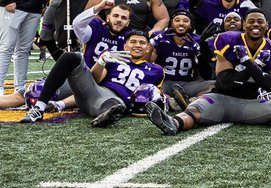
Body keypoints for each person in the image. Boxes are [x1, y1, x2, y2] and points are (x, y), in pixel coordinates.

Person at [144, 9, 271, 134]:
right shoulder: (227, 41)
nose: (255, 25)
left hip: (251, 102)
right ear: (244, 25)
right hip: (222, 98)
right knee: (194, 110)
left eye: (260, 21)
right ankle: (173, 122)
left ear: (267, 25)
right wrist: (255, 66)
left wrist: (249, 62)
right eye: (251, 21)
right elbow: (226, 84)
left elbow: (270, 85)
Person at [20, 29, 165, 128]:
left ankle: (106, 116)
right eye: (133, 42)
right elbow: (95, 79)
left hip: (113, 101)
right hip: (95, 90)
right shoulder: (114, 57)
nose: (137, 45)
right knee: (72, 56)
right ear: (125, 46)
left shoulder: (156, 70)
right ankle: (39, 109)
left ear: (147, 48)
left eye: (142, 42)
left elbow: (157, 94)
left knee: (115, 105)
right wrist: (102, 60)